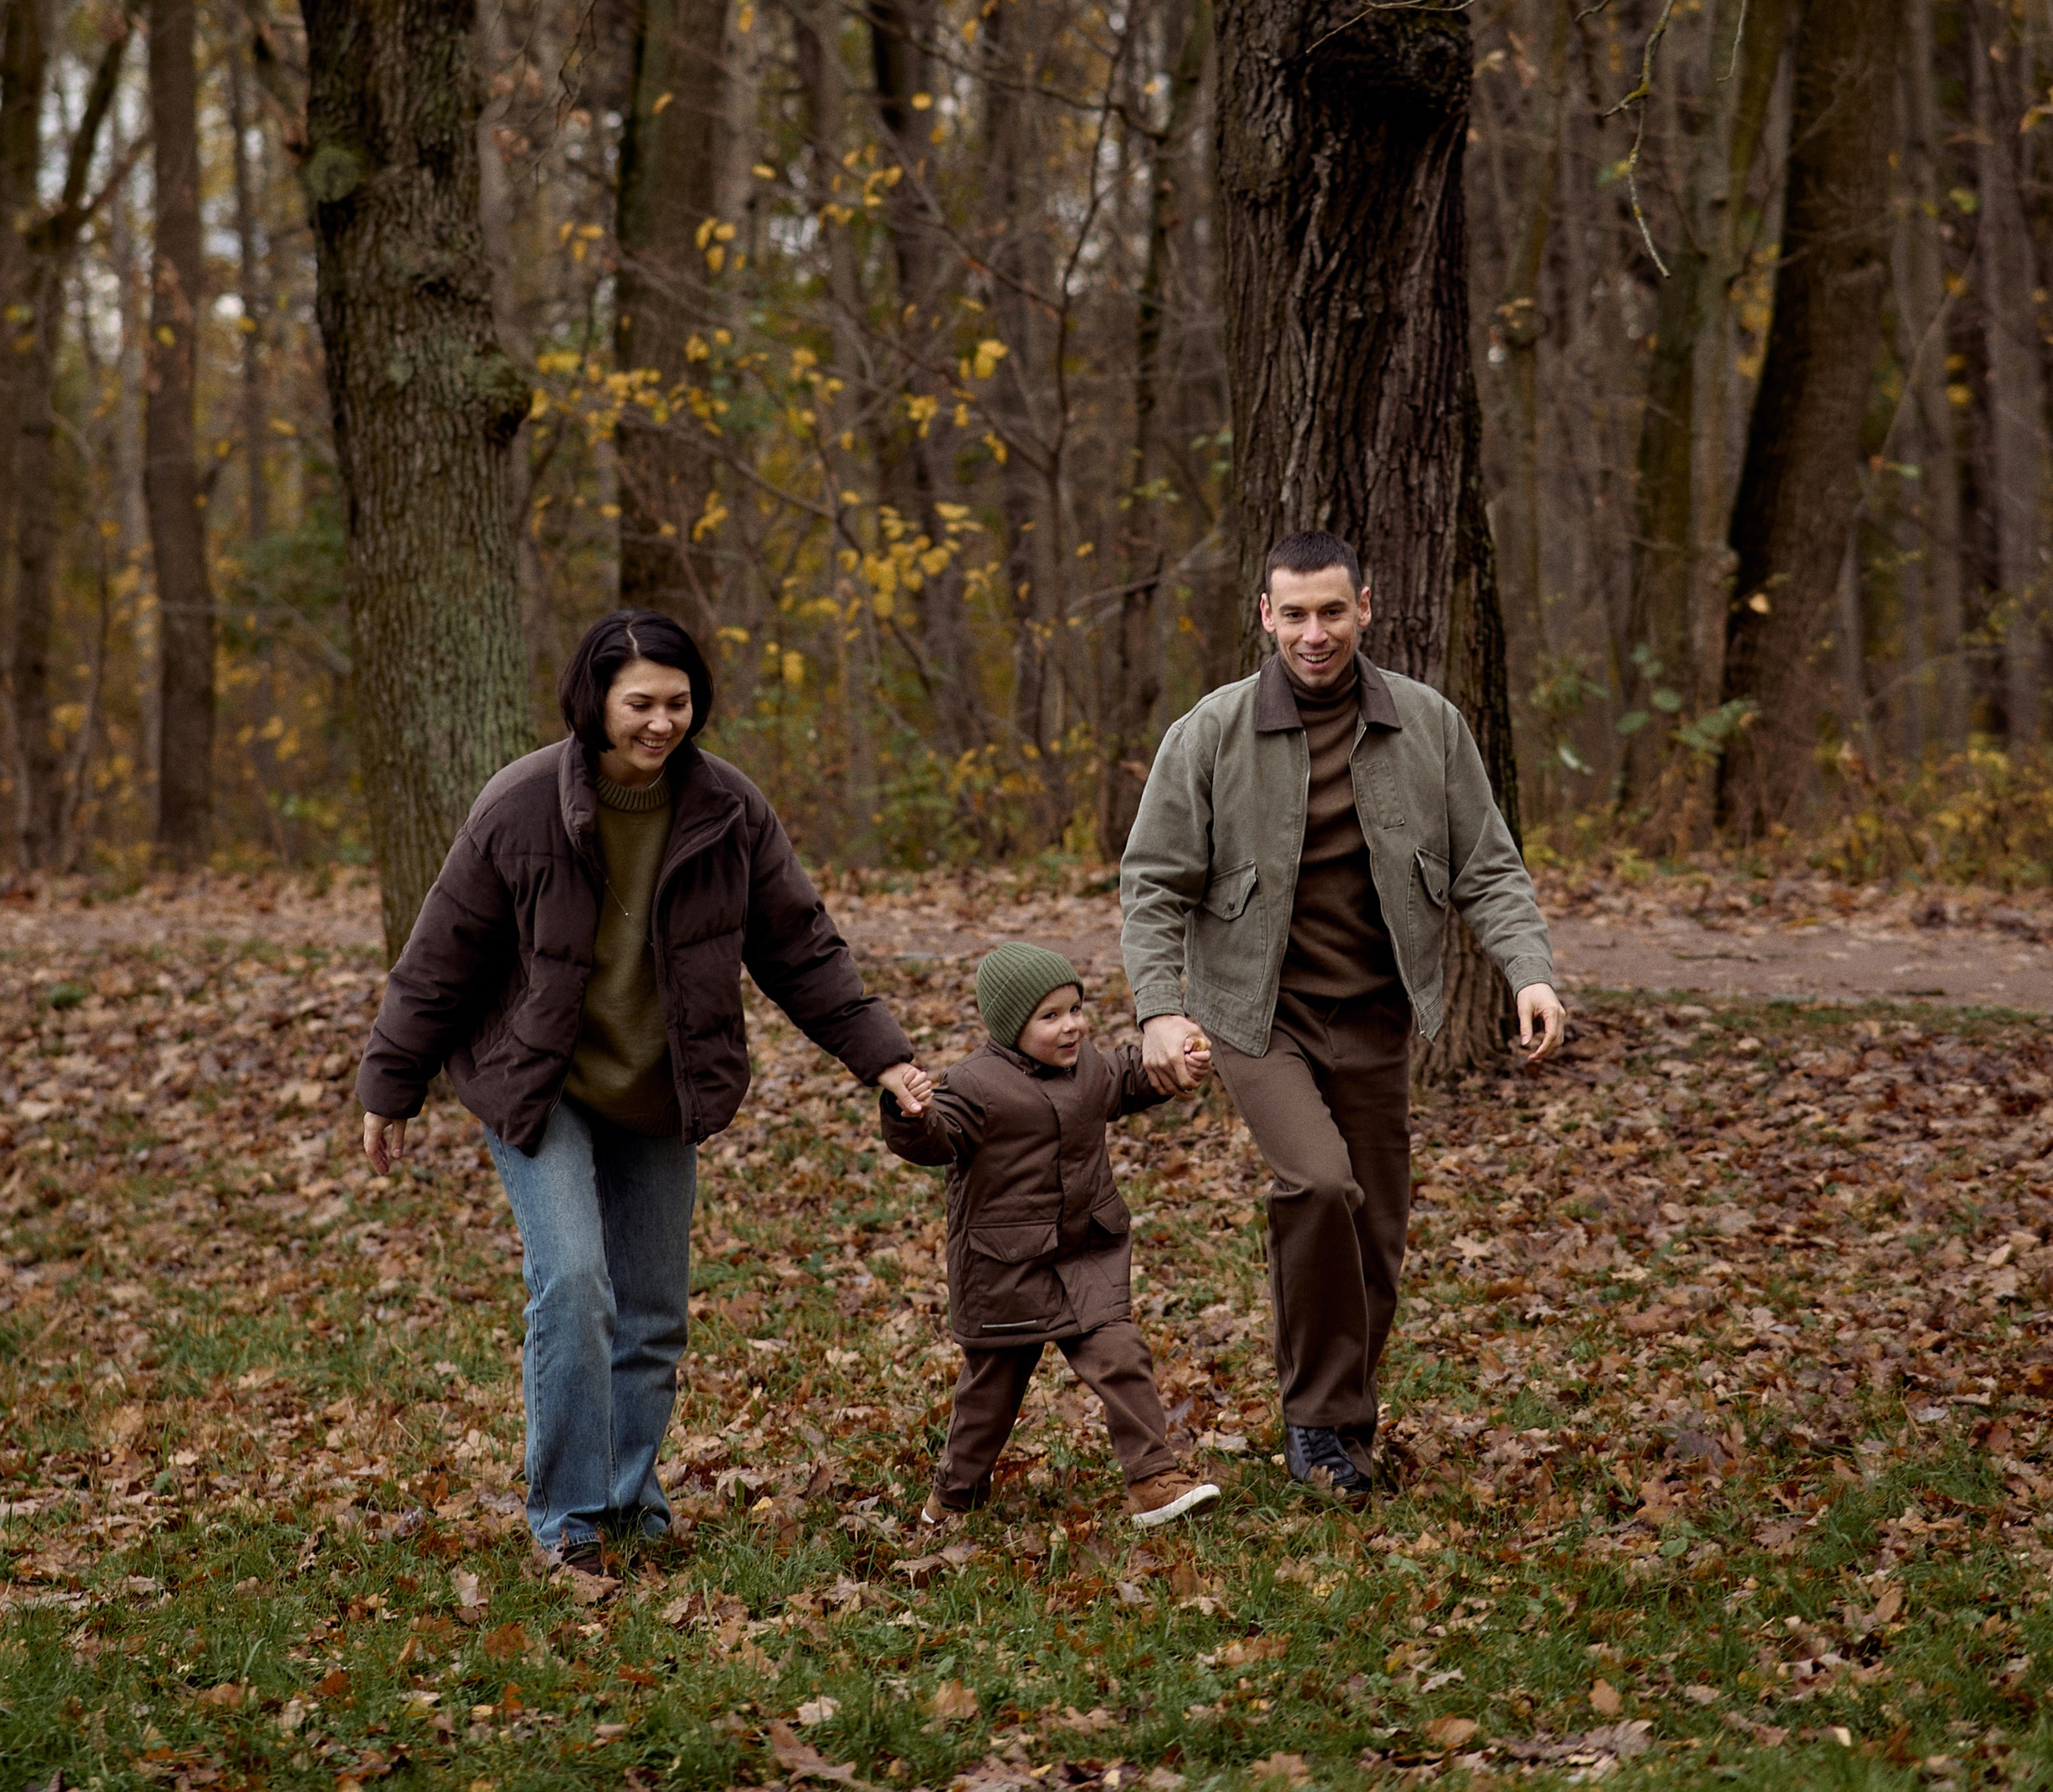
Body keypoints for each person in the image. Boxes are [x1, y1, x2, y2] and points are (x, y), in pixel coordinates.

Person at [354, 609, 929, 1577]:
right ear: (595, 702)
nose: (661, 723)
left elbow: (801, 948)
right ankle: (569, 1516)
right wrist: (389, 1083)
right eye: (640, 704)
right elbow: (441, 955)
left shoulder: (728, 809)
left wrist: (882, 1056)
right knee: (575, 1280)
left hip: (661, 1084)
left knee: (654, 1308)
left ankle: (627, 1496)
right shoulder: (522, 803)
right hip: (541, 1085)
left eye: (678, 701)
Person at [1120, 530, 1565, 1505]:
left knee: (1378, 1232)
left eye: (1331, 611)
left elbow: (1487, 865)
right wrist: (1157, 1009)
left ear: (1365, 607)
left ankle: (1344, 1428)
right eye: (1294, 614)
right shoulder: (1212, 730)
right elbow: (1151, 883)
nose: (1313, 633)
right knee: (1319, 1187)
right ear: (1265, 616)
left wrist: (1527, 971)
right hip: (1256, 1010)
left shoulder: (1427, 724)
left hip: (1377, 1013)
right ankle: (1317, 1421)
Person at [879, 941, 1221, 1531]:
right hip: (1005, 1269)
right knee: (991, 1392)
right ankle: (955, 1496)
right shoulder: (976, 1085)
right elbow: (936, 1139)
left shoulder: (1090, 1067)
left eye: (1076, 1009)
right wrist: (907, 1112)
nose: (1072, 1027)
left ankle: (1153, 1478)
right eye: (1051, 1016)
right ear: (1012, 1025)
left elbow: (1132, 1076)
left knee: (1122, 1356)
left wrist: (1175, 1070)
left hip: (1084, 1253)